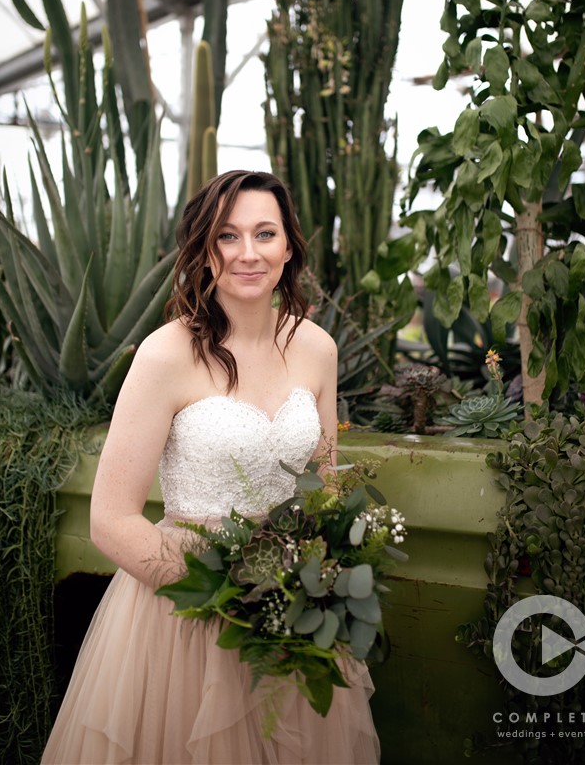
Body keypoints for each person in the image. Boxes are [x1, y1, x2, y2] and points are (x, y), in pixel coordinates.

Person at [42, 169, 380, 764]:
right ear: (204, 250)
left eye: (265, 234)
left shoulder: (318, 349)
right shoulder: (165, 354)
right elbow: (111, 520)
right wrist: (224, 590)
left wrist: (314, 579)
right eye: (228, 236)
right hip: (184, 619)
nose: (248, 253)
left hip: (291, 615)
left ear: (289, 248)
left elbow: (323, 492)